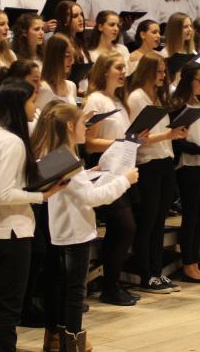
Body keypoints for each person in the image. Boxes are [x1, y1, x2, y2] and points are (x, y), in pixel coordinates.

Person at [34, 101, 136, 351]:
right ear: (70, 126)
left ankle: (58, 339)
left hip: (62, 229)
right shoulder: (67, 159)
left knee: (63, 287)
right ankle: (73, 343)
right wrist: (125, 180)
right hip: (75, 232)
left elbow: (70, 188)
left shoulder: (56, 155)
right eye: (83, 124)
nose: (87, 129)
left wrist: (89, 173)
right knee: (75, 291)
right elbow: (92, 197)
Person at [0, 79, 66, 351]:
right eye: (32, 101)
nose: (35, 107)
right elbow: (5, 194)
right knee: (10, 305)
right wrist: (43, 195)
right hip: (13, 229)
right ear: (19, 105)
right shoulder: (12, 142)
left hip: (0, 226)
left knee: (1, 301)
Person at [82, 53, 141, 305]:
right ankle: (109, 287)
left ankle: (112, 285)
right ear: (105, 70)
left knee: (122, 229)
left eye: (124, 68)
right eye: (118, 67)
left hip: (121, 168)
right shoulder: (95, 99)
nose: (123, 72)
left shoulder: (118, 99)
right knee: (124, 227)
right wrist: (120, 143)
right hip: (103, 169)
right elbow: (89, 143)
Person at [127, 56, 186, 293]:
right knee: (147, 222)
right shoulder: (136, 98)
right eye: (158, 72)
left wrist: (172, 135)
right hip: (147, 164)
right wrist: (168, 136)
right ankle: (146, 275)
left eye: (164, 72)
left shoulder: (159, 97)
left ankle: (156, 271)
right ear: (146, 71)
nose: (162, 76)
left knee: (159, 222)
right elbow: (135, 137)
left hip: (164, 161)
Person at [168, 62, 200, 282]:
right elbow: (177, 141)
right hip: (188, 166)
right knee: (191, 216)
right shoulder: (178, 104)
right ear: (189, 80)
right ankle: (188, 264)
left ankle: (195, 263)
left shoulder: (198, 102)